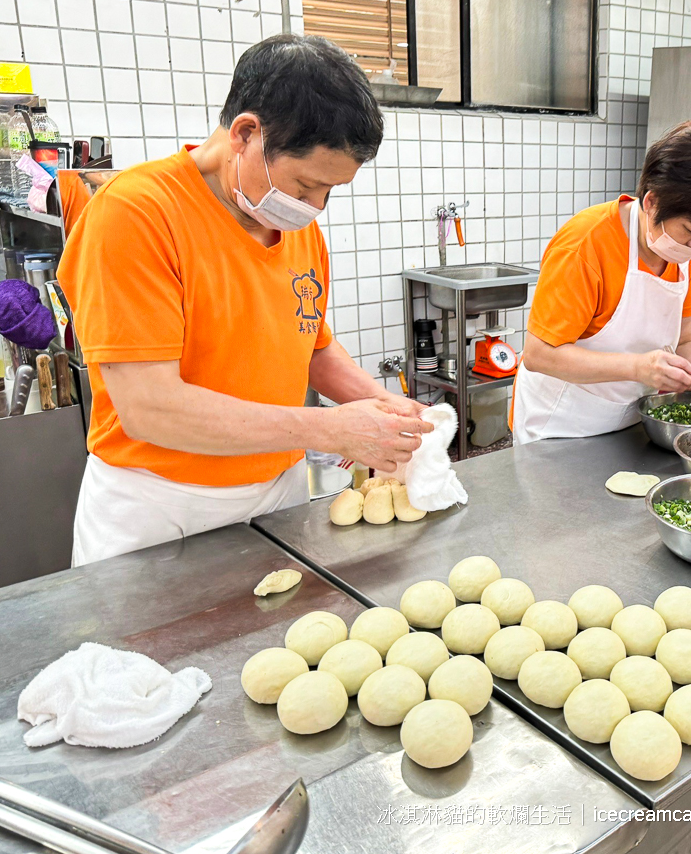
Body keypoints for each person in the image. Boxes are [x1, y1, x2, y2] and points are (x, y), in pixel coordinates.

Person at [59, 35, 431, 566]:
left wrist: (380, 406)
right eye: (305, 187)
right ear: (246, 134)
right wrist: (331, 428)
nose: (316, 208)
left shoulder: (293, 227)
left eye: (330, 191)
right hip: (160, 509)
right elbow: (149, 408)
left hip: (277, 496)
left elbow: (313, 347)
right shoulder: (137, 215)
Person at [512, 122, 691, 445]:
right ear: (651, 202)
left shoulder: (683, 251)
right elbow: (540, 354)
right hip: (558, 427)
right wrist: (638, 367)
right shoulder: (585, 244)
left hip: (626, 426)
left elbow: (685, 338)